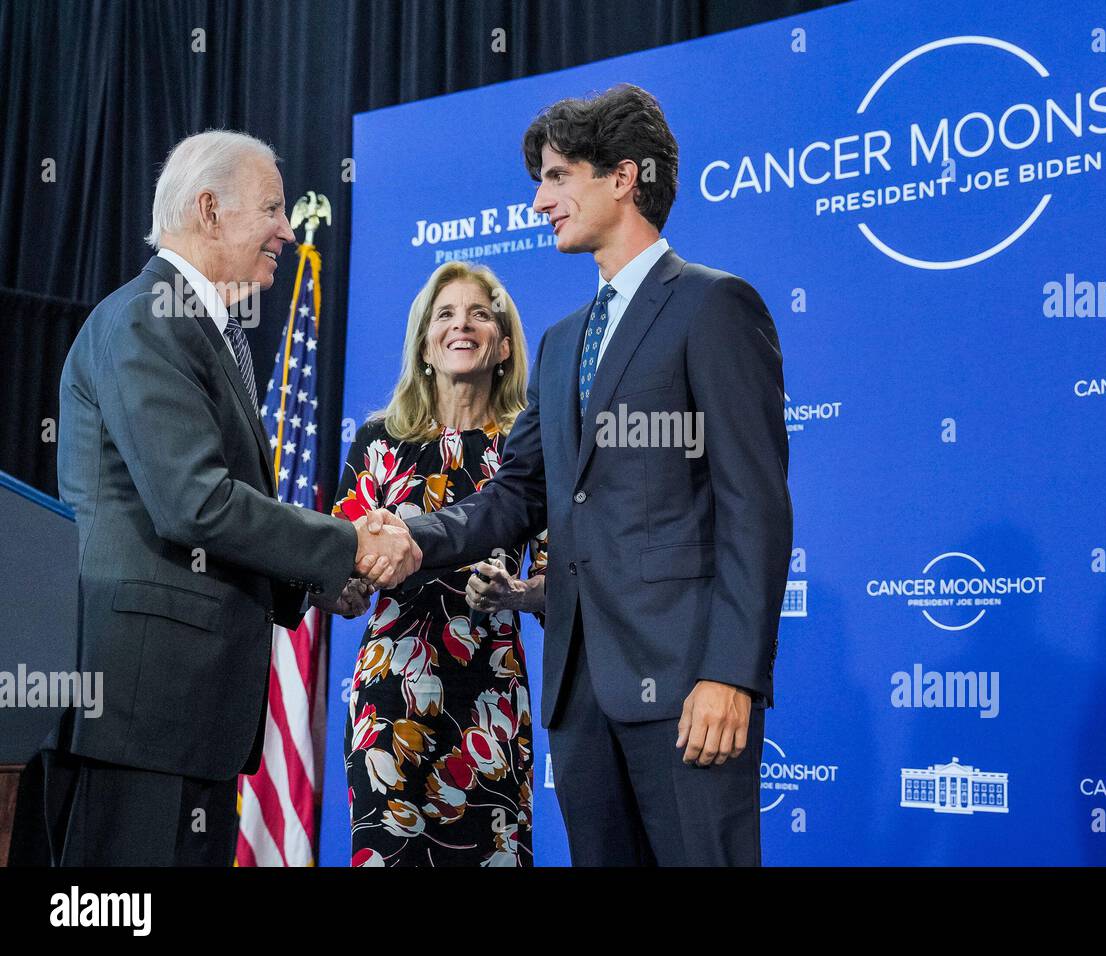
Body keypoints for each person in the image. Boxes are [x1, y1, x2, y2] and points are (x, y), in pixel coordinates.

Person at [367, 84, 792, 866]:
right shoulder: (562, 344)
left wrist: (732, 674)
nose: (539, 201)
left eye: (558, 176)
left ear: (623, 177)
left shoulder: (713, 306)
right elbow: (515, 496)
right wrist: (411, 534)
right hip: (580, 695)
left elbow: (754, 506)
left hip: (687, 684)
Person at [49, 129, 420, 867]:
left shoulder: (203, 329)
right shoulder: (149, 318)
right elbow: (193, 502)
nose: (288, 229)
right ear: (210, 210)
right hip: (142, 707)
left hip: (189, 710)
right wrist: (350, 543)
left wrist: (315, 580)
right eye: (273, 209)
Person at [335, 261, 546, 867]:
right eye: (445, 314)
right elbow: (339, 559)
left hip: (490, 695)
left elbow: (561, 583)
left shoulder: (529, 446)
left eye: (480, 313)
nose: (462, 325)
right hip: (389, 694)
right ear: (425, 343)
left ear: (504, 345)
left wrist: (517, 594)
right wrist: (340, 588)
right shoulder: (378, 439)